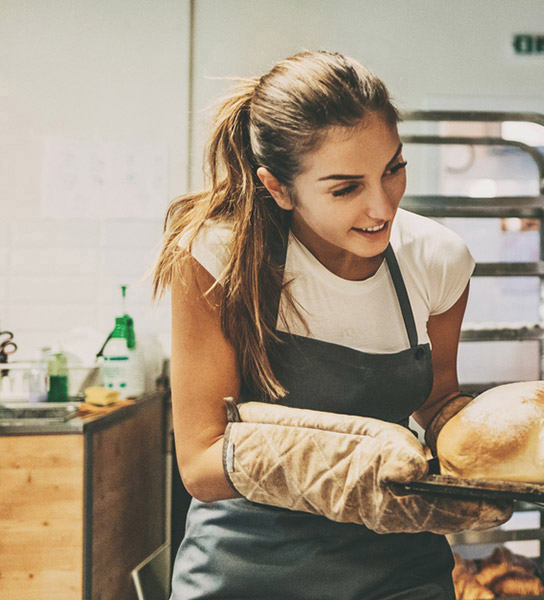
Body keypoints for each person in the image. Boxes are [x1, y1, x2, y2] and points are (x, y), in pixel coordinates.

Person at [152, 51, 511, 600]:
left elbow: (436, 399)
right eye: (345, 188)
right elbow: (202, 462)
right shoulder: (216, 257)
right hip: (247, 568)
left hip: (398, 568)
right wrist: (352, 469)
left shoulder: (437, 259)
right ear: (279, 187)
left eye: (393, 169)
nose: (382, 207)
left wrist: (503, 445)